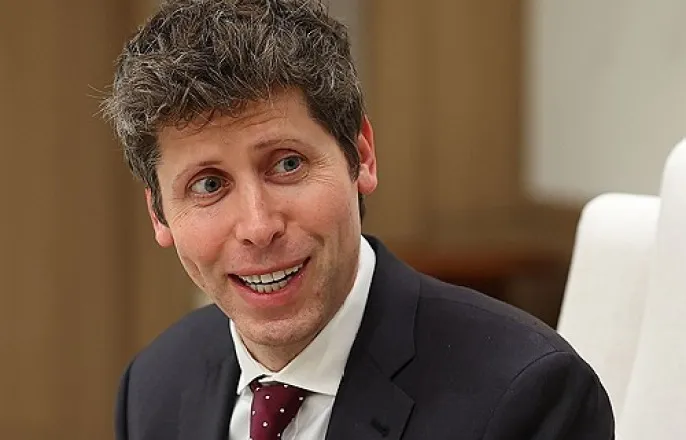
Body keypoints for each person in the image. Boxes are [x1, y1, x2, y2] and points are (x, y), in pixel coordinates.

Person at [104, 0, 614, 439]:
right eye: (209, 185)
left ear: (362, 157)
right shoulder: (153, 386)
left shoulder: (525, 394)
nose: (258, 227)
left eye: (288, 164)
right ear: (159, 213)